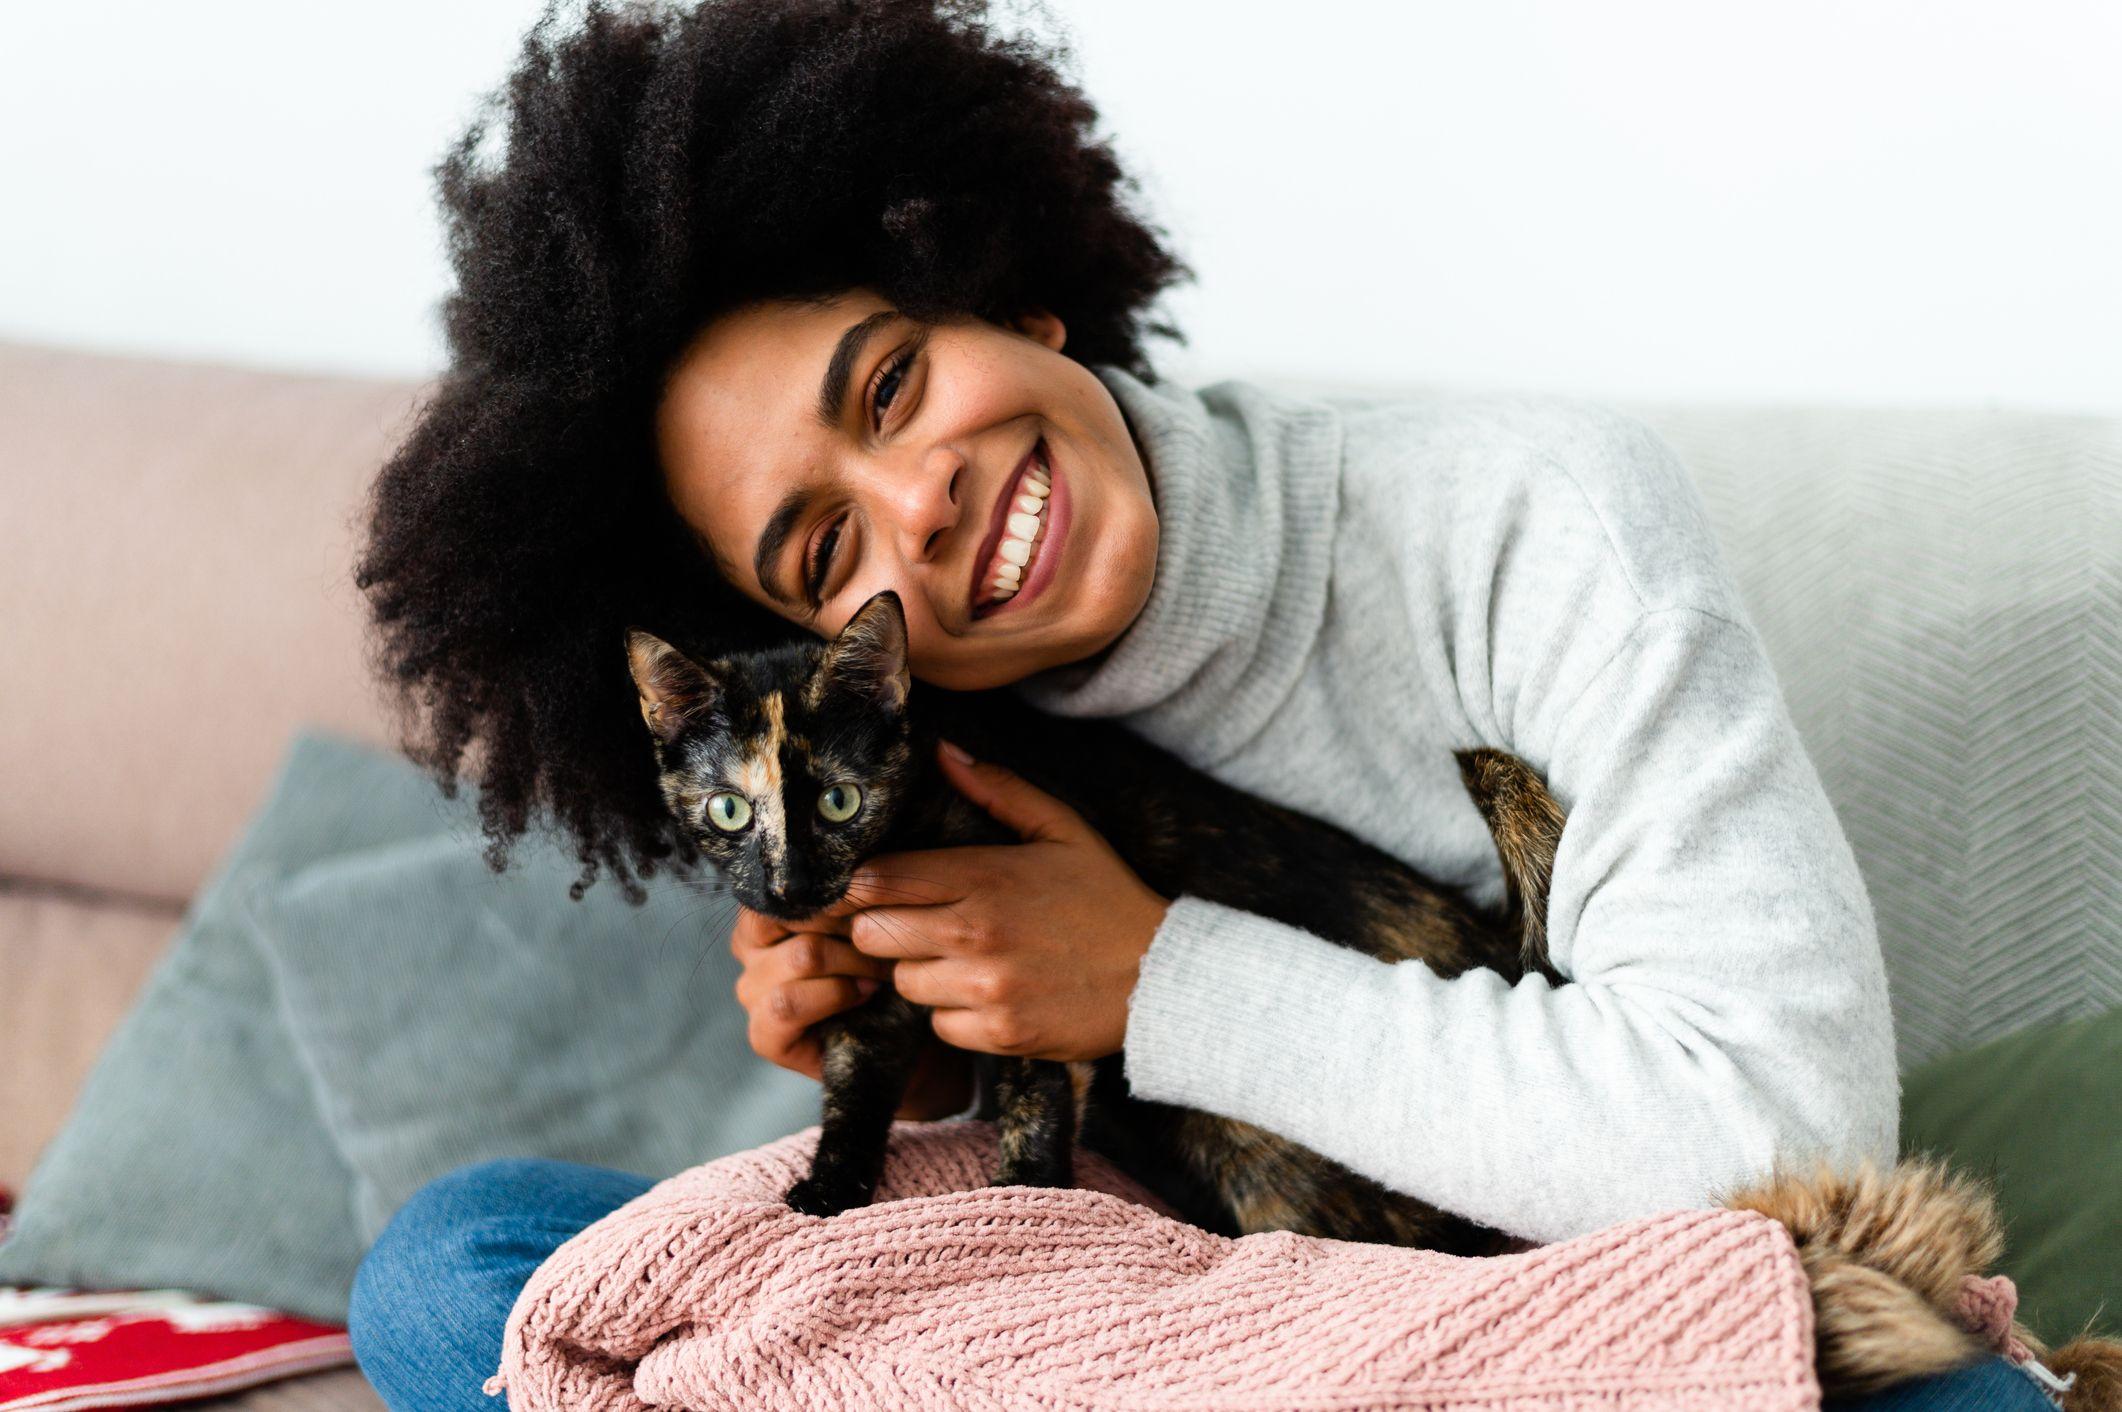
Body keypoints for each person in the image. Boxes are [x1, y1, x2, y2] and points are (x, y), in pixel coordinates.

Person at [345, 3, 2058, 1410]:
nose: (918, 506)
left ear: (1010, 294)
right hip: (1146, 1314)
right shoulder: (913, 736)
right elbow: (1029, 1212)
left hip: (1534, 1317)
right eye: (823, 546)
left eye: (892, 385)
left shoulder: (1532, 519)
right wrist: (914, 1056)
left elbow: (1782, 1129)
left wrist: (1153, 977)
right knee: (464, 1266)